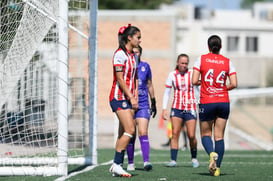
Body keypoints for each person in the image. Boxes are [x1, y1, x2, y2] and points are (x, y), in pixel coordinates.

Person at [192, 35, 237, 176]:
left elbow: (194, 81)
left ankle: (212, 154)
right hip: (223, 101)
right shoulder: (227, 62)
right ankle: (216, 169)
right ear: (221, 46)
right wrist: (222, 89)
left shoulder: (201, 59)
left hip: (207, 101)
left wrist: (204, 83)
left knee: (206, 134)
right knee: (219, 137)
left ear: (208, 47)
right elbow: (234, 83)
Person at [109, 24, 141, 177]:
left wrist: (134, 94)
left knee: (123, 132)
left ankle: (118, 165)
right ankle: (116, 164)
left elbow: (133, 78)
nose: (139, 41)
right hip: (118, 97)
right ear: (129, 37)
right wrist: (131, 96)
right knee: (131, 130)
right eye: (138, 37)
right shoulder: (119, 55)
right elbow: (120, 79)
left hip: (127, 98)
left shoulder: (132, 55)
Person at [161, 53, 200, 168]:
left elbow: (198, 89)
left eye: (186, 63)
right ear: (177, 63)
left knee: (191, 135)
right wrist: (164, 108)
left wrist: (201, 103)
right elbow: (167, 92)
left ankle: (194, 158)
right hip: (176, 108)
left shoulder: (192, 73)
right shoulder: (172, 75)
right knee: (175, 133)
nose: (184, 65)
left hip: (190, 107)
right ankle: (173, 160)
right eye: (182, 63)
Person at [126, 45, 157, 172]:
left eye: (137, 53)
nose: (135, 55)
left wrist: (153, 101)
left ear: (140, 54)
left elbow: (149, 84)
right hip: (129, 105)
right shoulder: (127, 67)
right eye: (133, 53)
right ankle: (130, 162)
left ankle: (146, 162)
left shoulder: (145, 67)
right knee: (130, 133)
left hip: (143, 104)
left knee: (143, 132)